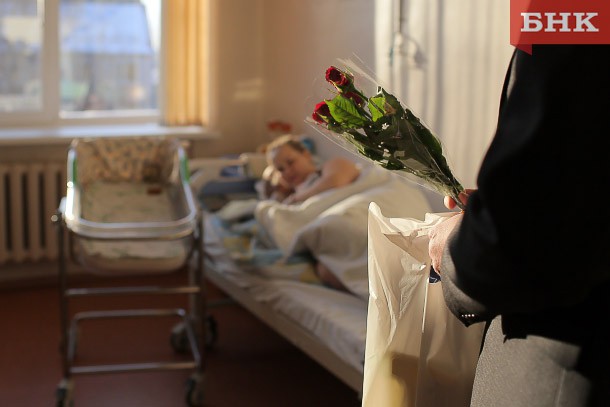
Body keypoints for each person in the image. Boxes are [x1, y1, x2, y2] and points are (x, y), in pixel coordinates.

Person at [427, 45, 610, 406]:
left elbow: (515, 244)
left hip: (569, 372)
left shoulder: (574, 20)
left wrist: (457, 242)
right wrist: (500, 204)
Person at [263, 134, 361, 290]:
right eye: (280, 169)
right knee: (326, 270)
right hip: (327, 238)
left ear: (306, 154)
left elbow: (337, 180)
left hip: (353, 218)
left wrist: (297, 199)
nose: (287, 171)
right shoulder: (285, 202)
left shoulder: (329, 168)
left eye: (290, 162)